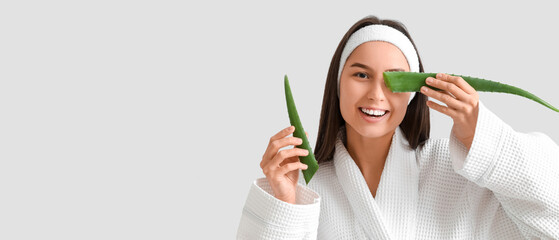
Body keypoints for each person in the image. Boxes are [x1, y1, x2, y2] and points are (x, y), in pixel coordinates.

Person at [236, 15, 559, 239]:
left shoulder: (460, 173)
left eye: (395, 79)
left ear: (414, 94)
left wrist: (487, 142)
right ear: (337, 84)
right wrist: (285, 203)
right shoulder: (310, 188)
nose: (376, 94)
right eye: (361, 75)